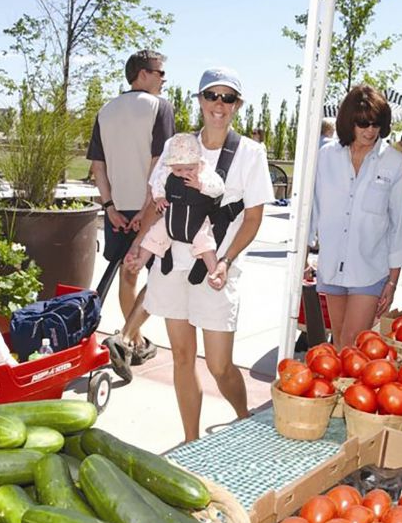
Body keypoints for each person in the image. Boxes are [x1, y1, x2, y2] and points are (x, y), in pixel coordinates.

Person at [127, 67, 273, 442]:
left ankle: (244, 421)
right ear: (200, 100)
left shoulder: (249, 153)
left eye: (227, 98)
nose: (219, 105)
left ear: (237, 105)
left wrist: (225, 260)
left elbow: (253, 217)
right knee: (181, 356)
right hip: (172, 263)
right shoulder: (179, 145)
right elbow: (156, 202)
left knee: (221, 364)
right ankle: (190, 441)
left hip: (215, 266)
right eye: (212, 96)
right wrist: (138, 247)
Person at [87, 49, 174, 380]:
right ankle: (128, 339)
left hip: (118, 209)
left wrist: (109, 208)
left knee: (128, 273)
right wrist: (146, 210)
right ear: (141, 74)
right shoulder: (159, 107)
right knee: (161, 278)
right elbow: (160, 164)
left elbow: (98, 166)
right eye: (159, 72)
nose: (163, 78)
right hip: (152, 207)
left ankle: (133, 342)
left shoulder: (105, 110)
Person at [310, 84, 402, 348]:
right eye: (363, 124)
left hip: (370, 270)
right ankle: (341, 389)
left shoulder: (394, 163)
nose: (370, 131)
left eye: (376, 124)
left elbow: (399, 226)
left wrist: (392, 281)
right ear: (348, 122)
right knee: (340, 339)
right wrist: (306, 253)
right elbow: (314, 207)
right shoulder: (326, 156)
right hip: (332, 267)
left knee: (353, 343)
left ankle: (345, 389)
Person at [127, 133, 225, 288]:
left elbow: (219, 188)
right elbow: (158, 184)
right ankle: (141, 261)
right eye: (178, 169)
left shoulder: (205, 172)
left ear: (198, 163)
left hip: (196, 220)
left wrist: (201, 185)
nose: (184, 173)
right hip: (172, 218)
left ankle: (214, 273)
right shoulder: (167, 172)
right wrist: (159, 198)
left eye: (190, 169)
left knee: (206, 243)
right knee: (154, 234)